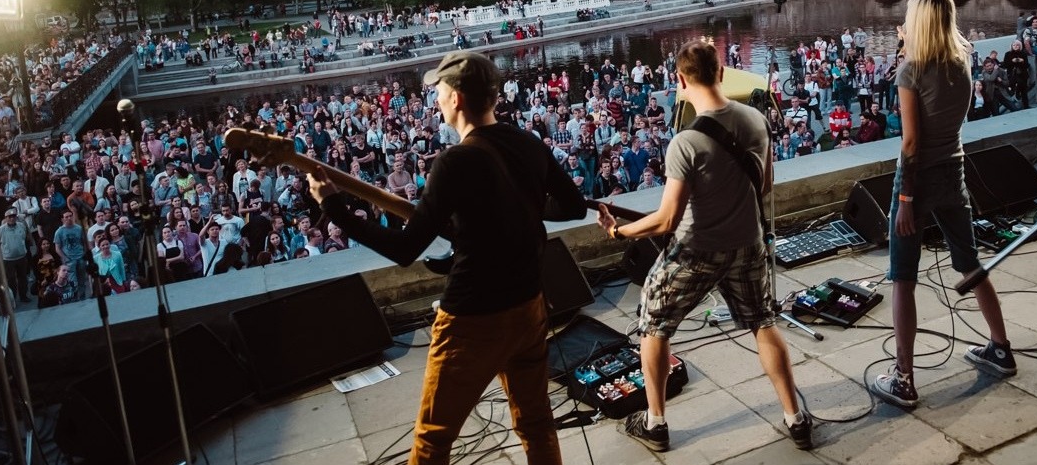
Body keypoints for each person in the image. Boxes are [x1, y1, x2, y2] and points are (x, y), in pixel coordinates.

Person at [306, 51, 586, 465]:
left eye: (438, 90)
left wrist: (334, 207)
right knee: (537, 425)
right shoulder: (527, 142)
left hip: (473, 319)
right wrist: (521, 203)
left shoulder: (455, 160)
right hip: (528, 307)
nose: (434, 98)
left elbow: (404, 250)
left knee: (433, 440)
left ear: (455, 98)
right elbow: (574, 206)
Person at [594, 41, 811, 452]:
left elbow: (666, 220)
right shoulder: (755, 120)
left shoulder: (685, 142)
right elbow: (763, 186)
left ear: (679, 80)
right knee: (763, 323)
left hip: (696, 250)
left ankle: (655, 424)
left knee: (653, 325)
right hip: (748, 245)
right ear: (722, 73)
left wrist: (617, 232)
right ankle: (795, 418)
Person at [870, 0, 1016, 409]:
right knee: (971, 265)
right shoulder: (961, 63)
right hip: (955, 171)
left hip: (917, 180)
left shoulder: (911, 72)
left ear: (918, 23)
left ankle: (904, 378)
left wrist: (906, 197)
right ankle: (1001, 348)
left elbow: (912, 142)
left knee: (903, 278)